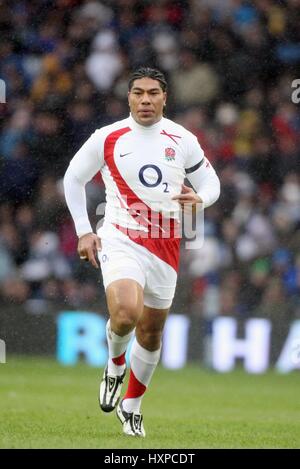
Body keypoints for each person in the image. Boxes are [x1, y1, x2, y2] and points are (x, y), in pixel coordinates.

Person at [63, 67, 220, 437]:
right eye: (138, 93)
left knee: (151, 333)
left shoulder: (182, 139)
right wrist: (85, 232)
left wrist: (202, 198)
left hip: (166, 244)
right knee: (125, 313)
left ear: (165, 97)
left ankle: (132, 405)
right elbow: (73, 177)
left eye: (153, 93)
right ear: (128, 97)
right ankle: (115, 364)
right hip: (120, 235)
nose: (145, 100)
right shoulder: (108, 137)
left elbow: (210, 181)